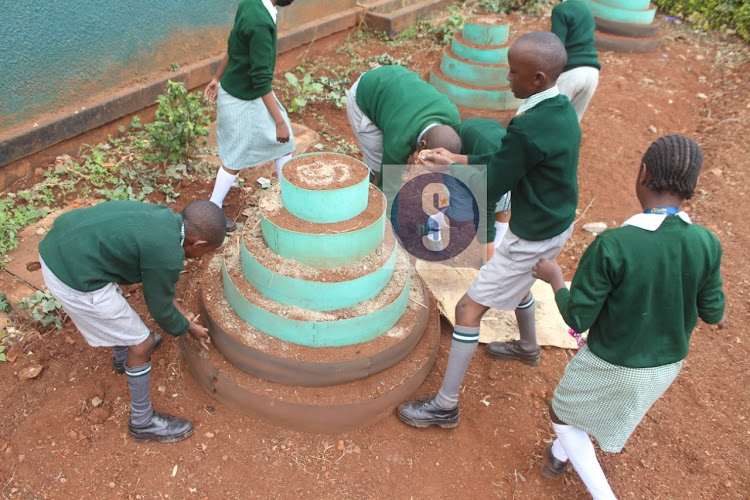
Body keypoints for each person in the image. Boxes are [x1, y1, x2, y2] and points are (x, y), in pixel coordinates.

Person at [397, 31, 580, 428]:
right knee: (519, 281)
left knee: (467, 308)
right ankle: (528, 347)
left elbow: (493, 182)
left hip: (532, 232)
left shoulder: (528, 126)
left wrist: (447, 172)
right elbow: (508, 157)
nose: (507, 79)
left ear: (538, 78)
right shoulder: (560, 110)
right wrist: (458, 155)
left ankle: (445, 406)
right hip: (555, 222)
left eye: (514, 72)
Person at [532, 135, 726, 499]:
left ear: (643, 173)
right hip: (665, 366)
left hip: (615, 361)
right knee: (590, 409)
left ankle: (603, 494)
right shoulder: (706, 242)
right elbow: (713, 310)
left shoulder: (613, 245)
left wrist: (556, 279)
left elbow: (577, 317)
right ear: (694, 185)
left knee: (561, 414)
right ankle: (558, 458)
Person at [38, 200, 227, 443]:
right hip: (75, 277)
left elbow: (159, 288)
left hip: (63, 246)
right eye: (207, 251)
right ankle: (142, 422)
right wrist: (188, 327)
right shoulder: (167, 252)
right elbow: (161, 310)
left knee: (120, 314)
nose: (202, 257)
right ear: (198, 242)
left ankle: (121, 360)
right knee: (143, 344)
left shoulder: (162, 217)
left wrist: (180, 311)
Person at [205, 0, 296, 232]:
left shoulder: (251, 3)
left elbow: (234, 46)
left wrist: (217, 78)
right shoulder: (260, 24)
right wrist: (278, 122)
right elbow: (261, 80)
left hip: (240, 90)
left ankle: (291, 200)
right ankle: (212, 209)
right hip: (244, 98)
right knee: (235, 157)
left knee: (284, 145)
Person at [345, 64, 462, 189]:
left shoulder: (453, 117)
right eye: (430, 161)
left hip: (396, 77)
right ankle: (368, 190)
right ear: (422, 145)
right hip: (365, 93)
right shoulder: (398, 142)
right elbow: (388, 186)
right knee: (379, 168)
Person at [551, 0, 601, 121]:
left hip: (570, 73)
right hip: (592, 73)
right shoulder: (586, 9)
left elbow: (557, 48)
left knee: (551, 121)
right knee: (572, 124)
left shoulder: (561, 10)